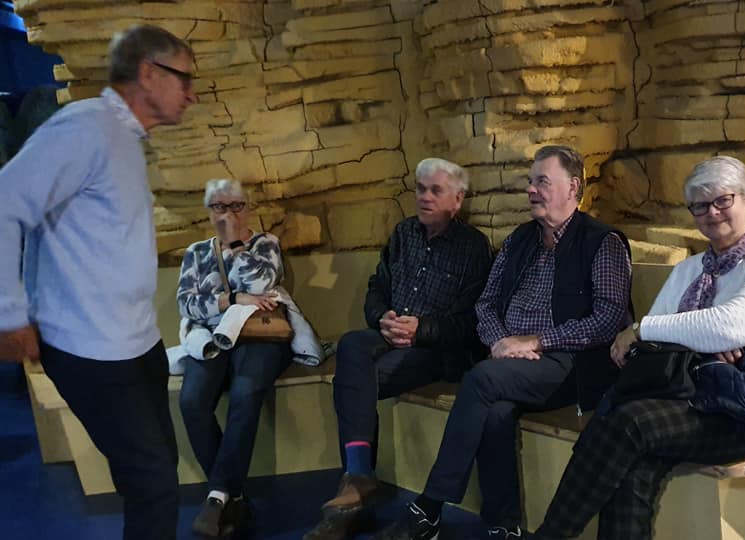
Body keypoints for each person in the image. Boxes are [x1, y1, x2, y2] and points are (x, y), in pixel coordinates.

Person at [531, 156, 745, 539]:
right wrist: (701, 346)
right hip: (681, 396)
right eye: (700, 205)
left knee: (629, 424)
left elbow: (732, 325)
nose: (712, 213)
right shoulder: (689, 270)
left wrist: (644, 329)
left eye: (722, 200)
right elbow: (654, 348)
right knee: (630, 457)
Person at [374, 145, 632, 540]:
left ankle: (428, 509)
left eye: (542, 181)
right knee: (495, 412)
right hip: (511, 360)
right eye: (530, 182)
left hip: (572, 364)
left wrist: (537, 341)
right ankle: (503, 525)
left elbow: (607, 319)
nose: (531, 189)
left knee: (482, 379)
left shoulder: (603, 242)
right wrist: (500, 342)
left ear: (572, 186)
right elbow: (486, 303)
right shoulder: (519, 240)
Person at [0, 25, 197, 540]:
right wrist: (9, 315)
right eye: (184, 79)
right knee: (154, 485)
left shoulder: (123, 137)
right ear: (149, 73)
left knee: (154, 475)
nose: (192, 94)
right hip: (90, 350)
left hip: (136, 344)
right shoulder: (85, 128)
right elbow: (4, 205)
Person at [304, 158, 493, 540]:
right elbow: (378, 287)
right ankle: (359, 479)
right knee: (351, 343)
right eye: (420, 189)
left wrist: (422, 329)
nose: (424, 197)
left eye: (435, 190)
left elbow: (472, 324)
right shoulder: (403, 233)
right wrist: (382, 318)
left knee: (353, 382)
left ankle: (354, 490)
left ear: (457, 200)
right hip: (390, 335)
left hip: (435, 350)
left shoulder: (474, 248)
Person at [177, 178, 328, 538]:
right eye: (220, 206)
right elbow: (187, 304)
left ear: (248, 209)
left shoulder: (266, 243)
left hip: (262, 337)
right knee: (192, 400)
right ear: (209, 212)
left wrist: (235, 245)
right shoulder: (196, 252)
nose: (229, 214)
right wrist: (231, 300)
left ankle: (216, 496)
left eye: (237, 206)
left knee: (245, 393)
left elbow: (263, 286)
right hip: (213, 337)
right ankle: (235, 498)